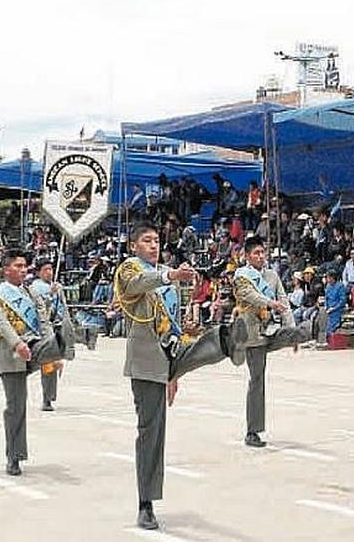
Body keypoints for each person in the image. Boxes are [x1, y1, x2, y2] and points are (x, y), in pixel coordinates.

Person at [115, 221, 244, 530]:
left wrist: (175, 374)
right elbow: (137, 285)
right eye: (147, 240)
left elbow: (171, 327)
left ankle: (226, 340)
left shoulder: (168, 282)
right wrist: (170, 275)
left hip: (169, 356)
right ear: (134, 246)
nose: (153, 245)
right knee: (151, 433)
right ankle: (145, 503)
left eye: (157, 240)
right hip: (146, 363)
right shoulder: (128, 270)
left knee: (203, 343)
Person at [0, 249, 59, 477]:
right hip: (13, 355)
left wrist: (51, 345)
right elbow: (1, 323)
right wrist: (17, 344)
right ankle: (14, 456)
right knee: (16, 406)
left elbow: (43, 318)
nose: (23, 270)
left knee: (60, 337)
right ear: (6, 269)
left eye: (25, 266)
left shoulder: (31, 292)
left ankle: (71, 342)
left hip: (35, 346)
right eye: (18, 266)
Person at [232, 236, 309, 449]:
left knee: (304, 331)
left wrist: (292, 330)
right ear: (247, 256)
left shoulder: (272, 275)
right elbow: (249, 296)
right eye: (255, 253)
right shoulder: (242, 276)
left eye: (262, 252)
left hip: (272, 329)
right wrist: (270, 303)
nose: (260, 256)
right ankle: (253, 430)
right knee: (257, 379)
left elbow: (284, 301)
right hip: (253, 334)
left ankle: (295, 336)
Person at [29, 258, 74, 412]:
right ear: (38, 272)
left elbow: (63, 306)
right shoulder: (35, 288)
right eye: (46, 270)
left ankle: (50, 394)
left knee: (55, 364)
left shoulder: (57, 286)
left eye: (51, 269)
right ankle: (46, 398)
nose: (49, 272)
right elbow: (41, 310)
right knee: (48, 364)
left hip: (59, 327)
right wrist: (50, 294)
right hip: (46, 330)